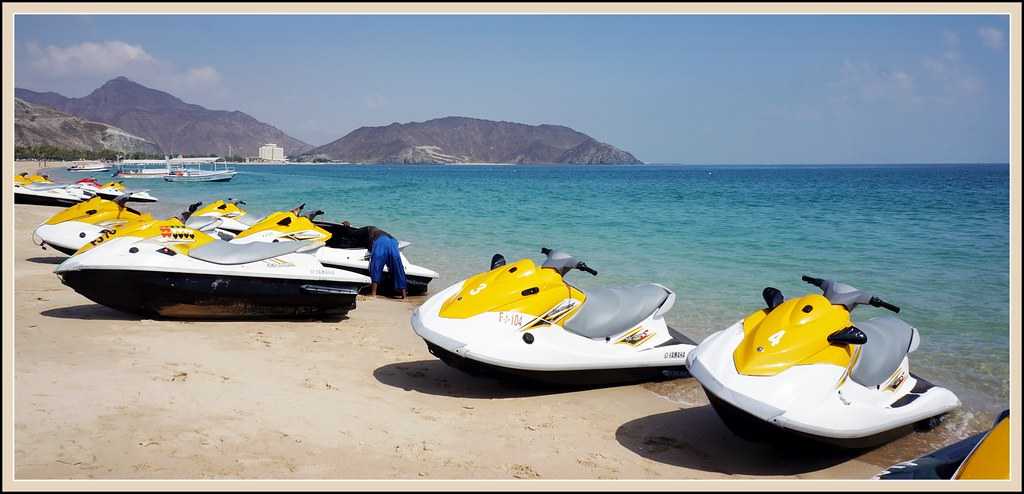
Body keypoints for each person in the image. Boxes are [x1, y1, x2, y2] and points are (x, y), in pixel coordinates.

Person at [341, 221, 407, 298]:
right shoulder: (375, 231)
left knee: (376, 266)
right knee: (398, 268)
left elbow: (352, 233)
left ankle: (373, 294)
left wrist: (347, 225)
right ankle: (404, 296)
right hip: (393, 241)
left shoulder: (367, 230)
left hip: (381, 241)